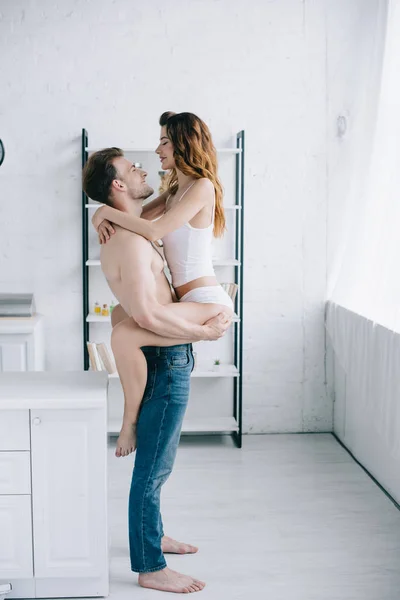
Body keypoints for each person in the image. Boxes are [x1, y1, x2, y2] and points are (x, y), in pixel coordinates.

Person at [82, 148, 231, 593]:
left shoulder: (129, 230)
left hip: (163, 359)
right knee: (151, 471)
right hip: (166, 364)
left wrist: (100, 213)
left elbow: (130, 312)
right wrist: (201, 333)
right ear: (118, 186)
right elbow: (145, 315)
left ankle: (154, 534)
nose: (145, 166)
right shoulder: (128, 240)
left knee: (156, 469)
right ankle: (150, 565)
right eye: (132, 168)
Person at [92, 111, 234, 457]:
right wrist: (101, 213)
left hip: (207, 302)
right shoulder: (175, 188)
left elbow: (154, 231)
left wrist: (104, 213)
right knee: (119, 315)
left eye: (165, 141)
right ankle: (142, 404)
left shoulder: (201, 187)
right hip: (187, 301)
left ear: (184, 143)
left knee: (124, 335)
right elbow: (139, 218)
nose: (158, 149)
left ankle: (129, 422)